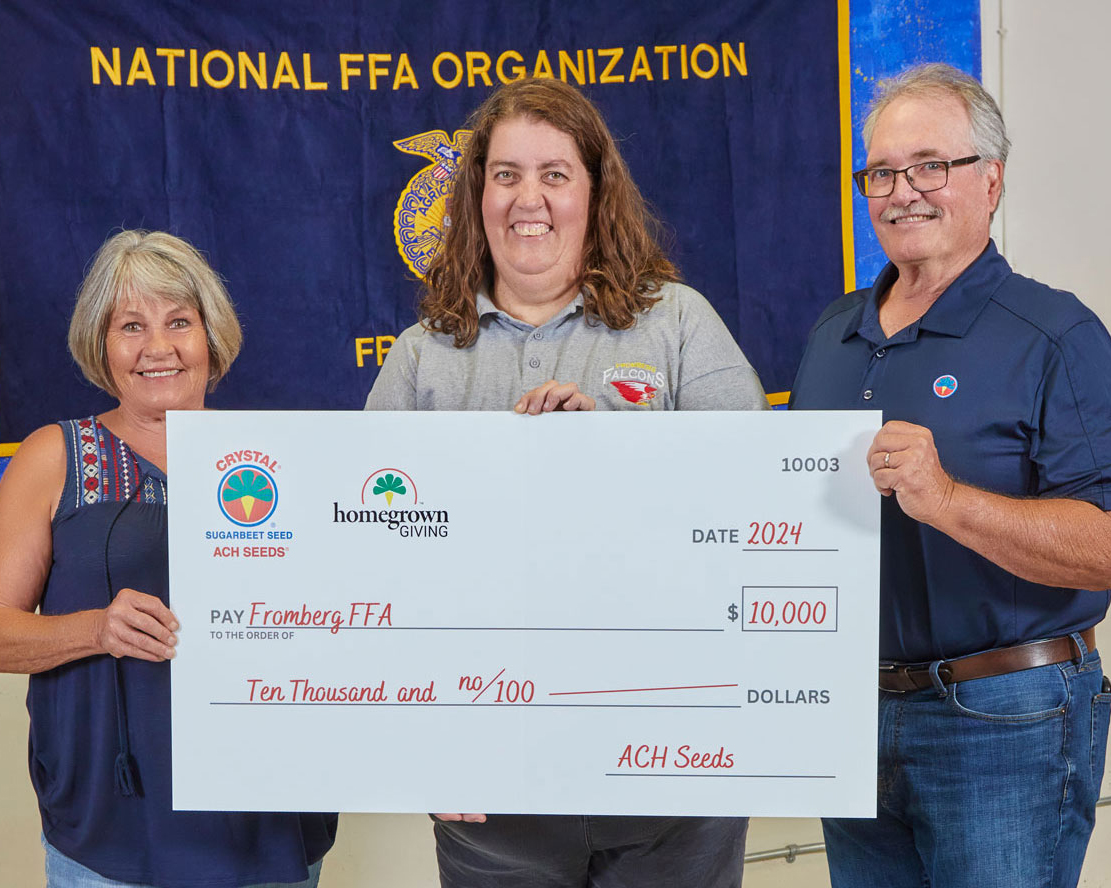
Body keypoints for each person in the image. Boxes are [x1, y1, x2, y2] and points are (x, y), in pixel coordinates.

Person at [366, 78, 765, 887]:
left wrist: (610, 454)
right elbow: (372, 565)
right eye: (505, 174)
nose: (527, 199)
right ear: (474, 194)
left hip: (671, 774)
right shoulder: (419, 357)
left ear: (595, 190)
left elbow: (758, 508)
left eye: (554, 174)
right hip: (492, 791)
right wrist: (418, 745)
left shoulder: (678, 323)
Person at [790, 63, 1111, 888]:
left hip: (1006, 719)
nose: (902, 192)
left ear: (990, 179)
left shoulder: (1056, 334)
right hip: (852, 715)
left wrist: (950, 503)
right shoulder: (831, 335)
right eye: (881, 173)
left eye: (930, 165)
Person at [0, 230, 337, 887]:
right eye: (131, 325)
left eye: (179, 322)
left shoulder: (283, 459)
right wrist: (94, 629)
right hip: (110, 837)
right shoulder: (55, 457)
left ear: (212, 337)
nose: (157, 347)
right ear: (101, 344)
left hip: (267, 828)